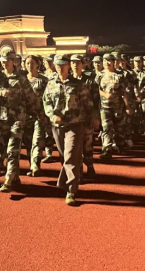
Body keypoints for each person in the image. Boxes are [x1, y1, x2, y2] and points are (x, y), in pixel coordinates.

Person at [42, 55, 93, 207]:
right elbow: (46, 102)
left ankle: (71, 190)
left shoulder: (78, 84)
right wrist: (52, 116)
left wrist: (90, 121)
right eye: (57, 65)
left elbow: (88, 104)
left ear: (68, 66)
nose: (60, 67)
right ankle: (64, 182)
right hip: (57, 126)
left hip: (75, 125)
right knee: (64, 156)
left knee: (70, 156)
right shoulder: (51, 83)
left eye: (63, 65)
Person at [0, 49, 37, 194]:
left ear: (13, 61)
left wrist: (36, 114)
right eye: (3, 61)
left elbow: (31, 98)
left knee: (13, 149)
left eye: (7, 61)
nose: (5, 63)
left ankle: (8, 180)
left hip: (18, 118)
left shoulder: (21, 79)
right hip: (3, 118)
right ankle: (15, 176)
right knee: (5, 148)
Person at [25, 55, 48, 177]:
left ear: (38, 65)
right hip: (25, 116)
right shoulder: (23, 80)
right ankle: (32, 165)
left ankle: (35, 165)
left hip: (39, 115)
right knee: (28, 142)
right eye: (27, 63)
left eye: (32, 63)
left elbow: (48, 97)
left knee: (37, 140)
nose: (30, 66)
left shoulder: (44, 81)